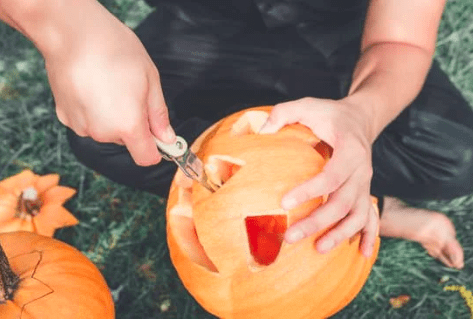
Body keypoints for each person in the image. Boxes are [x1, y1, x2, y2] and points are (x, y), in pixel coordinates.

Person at [1, 0, 471, 269]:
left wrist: (362, 117)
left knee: (457, 156)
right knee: (111, 136)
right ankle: (377, 210)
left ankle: (332, 187)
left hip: (345, 39)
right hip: (197, 30)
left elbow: (401, 40)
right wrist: (60, 22)